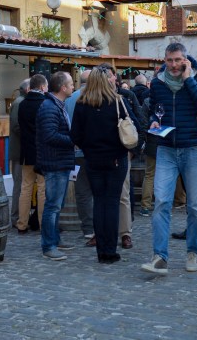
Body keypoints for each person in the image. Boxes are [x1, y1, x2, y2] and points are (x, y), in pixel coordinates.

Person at [141, 43, 197, 275]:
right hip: (166, 149)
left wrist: (189, 79)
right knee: (161, 201)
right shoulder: (158, 83)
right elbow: (155, 108)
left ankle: (193, 251)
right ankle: (159, 256)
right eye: (170, 60)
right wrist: (154, 120)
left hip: (193, 148)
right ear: (165, 59)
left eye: (178, 60)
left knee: (195, 205)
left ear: (186, 60)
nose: (173, 65)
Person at [72, 67, 132, 263]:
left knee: (99, 202)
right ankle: (110, 250)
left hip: (93, 159)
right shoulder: (117, 102)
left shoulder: (82, 104)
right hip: (116, 159)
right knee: (112, 202)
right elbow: (131, 129)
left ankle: (101, 251)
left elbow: (76, 135)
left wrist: (90, 149)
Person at [100, 62, 144, 250]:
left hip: (120, 154)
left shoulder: (122, 100)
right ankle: (101, 232)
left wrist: (132, 151)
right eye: (110, 76)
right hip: (99, 155)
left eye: (114, 76)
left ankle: (125, 233)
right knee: (101, 195)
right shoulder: (89, 102)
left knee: (123, 194)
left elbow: (138, 126)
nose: (114, 79)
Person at [35, 71, 77, 261]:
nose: (73, 86)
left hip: (60, 160)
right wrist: (73, 141)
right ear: (63, 88)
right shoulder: (49, 107)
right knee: (52, 205)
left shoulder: (56, 105)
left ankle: (55, 239)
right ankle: (49, 245)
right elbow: (50, 136)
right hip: (54, 162)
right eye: (71, 84)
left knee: (57, 205)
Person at [65, 69, 96, 245]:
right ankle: (99, 226)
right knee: (98, 189)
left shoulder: (70, 98)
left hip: (76, 151)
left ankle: (88, 228)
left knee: (82, 191)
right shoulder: (98, 96)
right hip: (94, 151)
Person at [15, 74, 48, 233]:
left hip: (26, 152)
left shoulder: (22, 104)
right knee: (42, 188)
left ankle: (22, 224)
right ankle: (42, 223)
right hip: (42, 152)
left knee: (25, 188)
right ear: (42, 87)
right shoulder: (45, 103)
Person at [9, 79, 29, 228]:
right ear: (28, 89)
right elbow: (17, 126)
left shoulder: (21, 102)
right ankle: (16, 218)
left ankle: (21, 216)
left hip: (22, 150)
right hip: (19, 151)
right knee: (19, 186)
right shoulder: (19, 103)